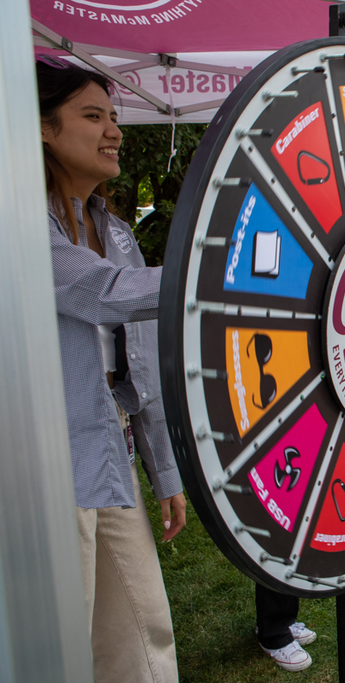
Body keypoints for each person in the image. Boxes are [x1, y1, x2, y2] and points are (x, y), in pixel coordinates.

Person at [38, 56, 186, 682]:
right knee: (57, 642)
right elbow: (98, 291)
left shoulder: (118, 231)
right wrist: (214, 271)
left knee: (143, 629)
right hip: (41, 470)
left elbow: (143, 366)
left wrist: (165, 471)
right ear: (42, 127)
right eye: (93, 116)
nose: (115, 132)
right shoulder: (16, 221)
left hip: (109, 455)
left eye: (115, 116)